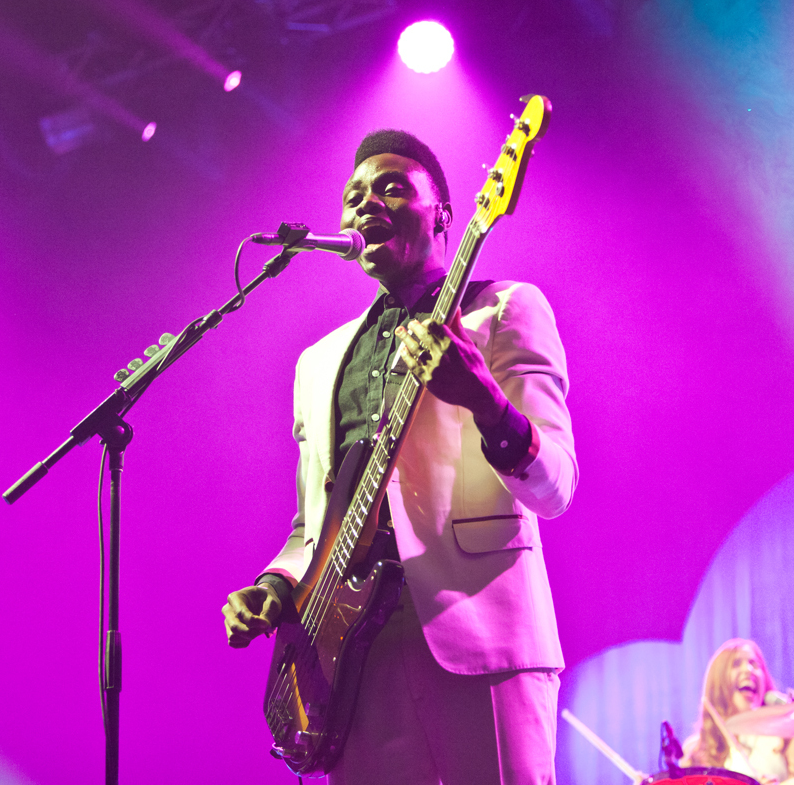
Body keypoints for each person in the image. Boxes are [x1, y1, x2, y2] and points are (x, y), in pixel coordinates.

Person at [221, 129, 578, 785]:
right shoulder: (317, 362)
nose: (366, 202)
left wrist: (485, 400)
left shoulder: (504, 311)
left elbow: (554, 485)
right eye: (353, 194)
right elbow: (312, 526)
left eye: (390, 187)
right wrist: (274, 586)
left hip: (482, 639)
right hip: (353, 664)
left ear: (443, 213)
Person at [680, 639, 794, 784]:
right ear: (718, 680)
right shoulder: (695, 750)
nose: (748, 670)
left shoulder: (785, 734)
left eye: (754, 664)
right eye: (736, 664)